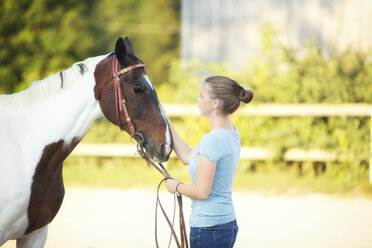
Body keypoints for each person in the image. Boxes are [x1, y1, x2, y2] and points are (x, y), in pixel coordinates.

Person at [164, 75, 254, 248]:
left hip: (208, 229)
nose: (198, 99)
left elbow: (201, 192)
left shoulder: (212, 140)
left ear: (215, 103)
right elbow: (187, 155)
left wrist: (176, 187)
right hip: (224, 225)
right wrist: (166, 121)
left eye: (202, 95)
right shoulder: (231, 132)